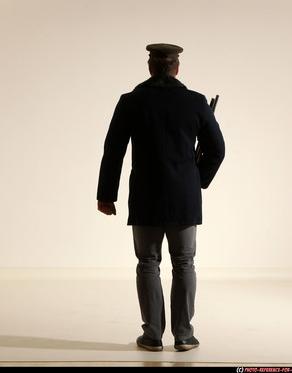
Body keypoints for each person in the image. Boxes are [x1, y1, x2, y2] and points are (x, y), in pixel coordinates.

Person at [96, 43, 225, 352]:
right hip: (184, 197)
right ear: (177, 68)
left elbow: (114, 150)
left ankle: (152, 335)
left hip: (145, 195)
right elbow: (217, 150)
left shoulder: (131, 101)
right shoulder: (196, 102)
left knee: (147, 263)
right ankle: (184, 335)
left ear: (150, 68)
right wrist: (199, 179)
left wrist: (106, 195)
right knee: (184, 263)